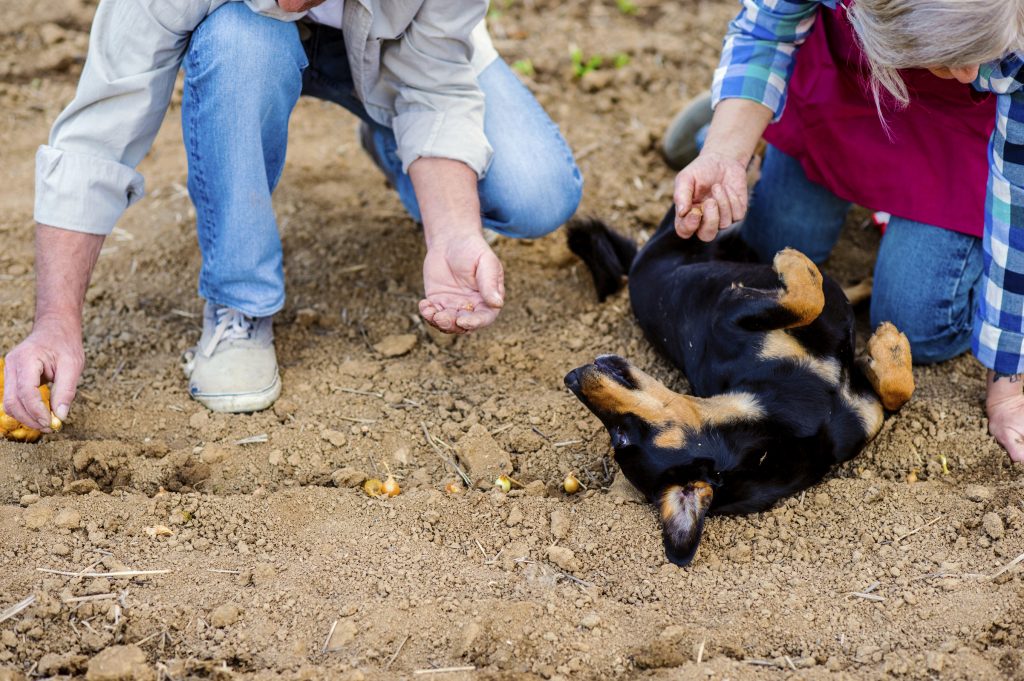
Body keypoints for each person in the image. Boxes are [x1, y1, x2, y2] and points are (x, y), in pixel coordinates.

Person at [3, 0, 582, 426]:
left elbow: (436, 88)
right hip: (242, 45)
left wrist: (454, 232)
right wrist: (55, 323)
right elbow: (98, 132)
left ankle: (397, 150)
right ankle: (239, 301)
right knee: (241, 42)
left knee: (537, 193)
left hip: (393, 42)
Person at [661, 0, 1024, 462]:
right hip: (852, 85)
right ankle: (745, 105)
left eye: (977, 51)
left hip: (961, 130)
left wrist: (1008, 383)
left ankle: (759, 106)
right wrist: (726, 152)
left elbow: (1019, 197)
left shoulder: (998, 55)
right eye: (952, 55)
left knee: (921, 330)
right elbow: (766, 28)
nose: (973, 69)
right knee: (775, 247)